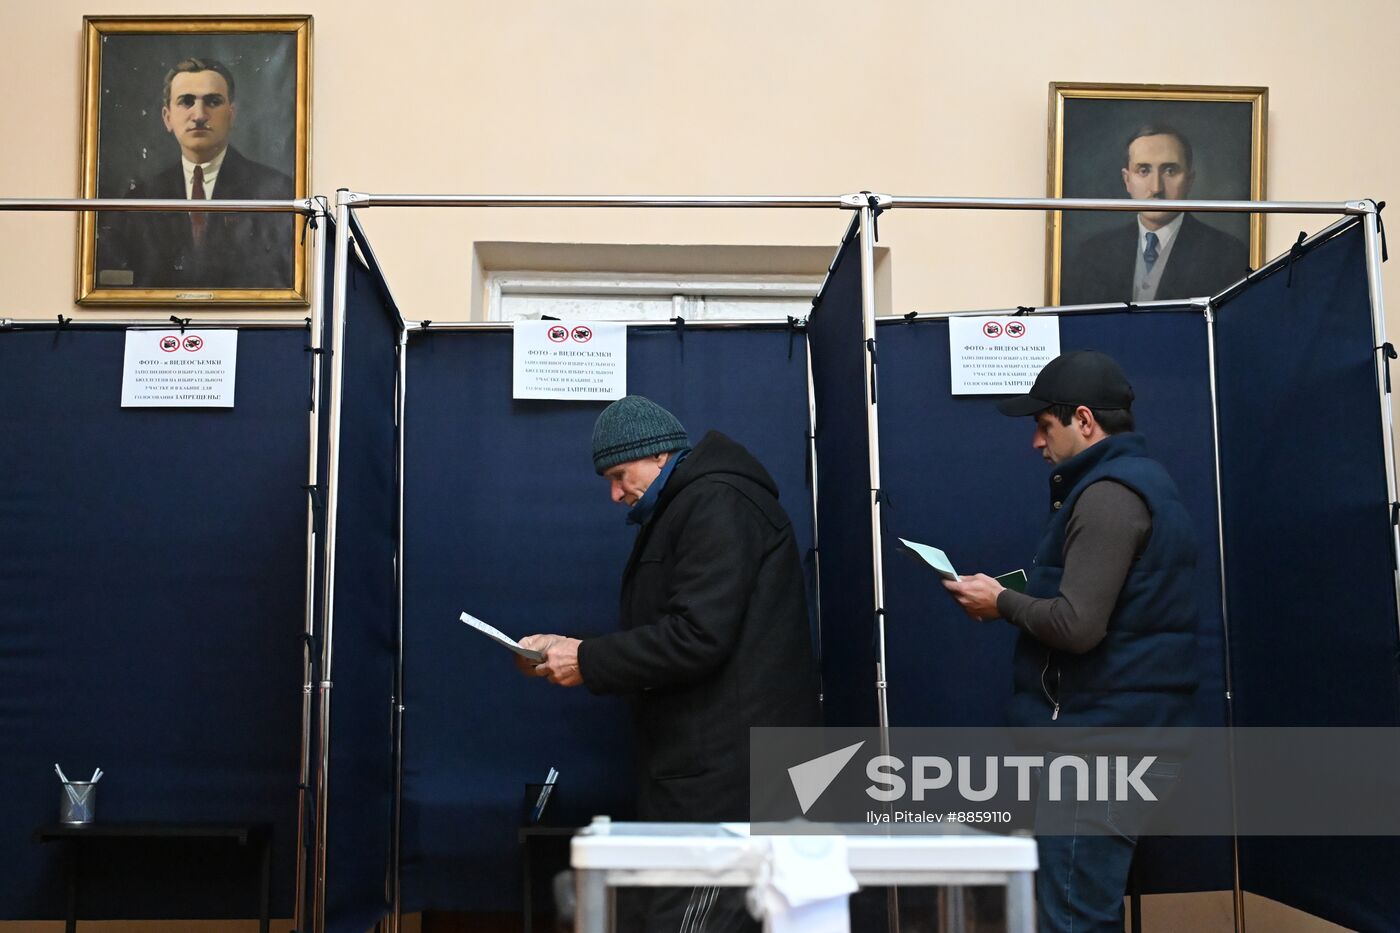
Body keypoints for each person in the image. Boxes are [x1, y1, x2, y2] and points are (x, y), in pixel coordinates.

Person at [518, 395, 820, 933]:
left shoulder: (715, 502)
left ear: (658, 457)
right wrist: (567, 648)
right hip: (710, 761)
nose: (615, 494)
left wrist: (586, 659)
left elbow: (698, 636)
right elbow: (682, 626)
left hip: (725, 770)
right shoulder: (692, 503)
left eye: (618, 474)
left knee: (696, 919)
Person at [942, 350, 1199, 933]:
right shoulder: (1139, 484)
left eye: (1044, 425)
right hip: (1115, 737)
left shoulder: (1108, 497)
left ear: (1084, 421)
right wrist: (1013, 596)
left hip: (1100, 750)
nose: (1036, 442)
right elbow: (1107, 601)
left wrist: (1002, 603)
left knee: (1074, 919)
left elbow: (1079, 626)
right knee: (1074, 907)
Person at [96, 57, 295, 289]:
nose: (199, 115)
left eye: (213, 101)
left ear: (232, 114)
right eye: (186, 101)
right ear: (167, 117)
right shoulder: (139, 202)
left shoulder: (277, 192)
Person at [1060, 124, 1248, 305]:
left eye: (1169, 171)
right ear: (1127, 180)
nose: (1156, 188)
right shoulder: (1092, 254)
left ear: (1189, 180)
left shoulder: (1227, 255)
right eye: (1143, 171)